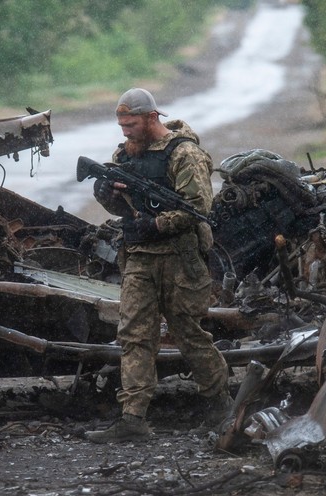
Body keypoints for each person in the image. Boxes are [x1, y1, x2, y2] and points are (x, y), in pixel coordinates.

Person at [85, 88, 232, 443]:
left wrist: (154, 225)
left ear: (152, 118)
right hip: (140, 258)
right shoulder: (125, 154)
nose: (125, 132)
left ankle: (223, 406)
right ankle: (132, 418)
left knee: (188, 333)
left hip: (180, 258)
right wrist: (106, 191)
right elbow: (120, 206)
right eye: (121, 125)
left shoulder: (184, 153)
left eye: (131, 124)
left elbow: (198, 207)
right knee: (134, 336)